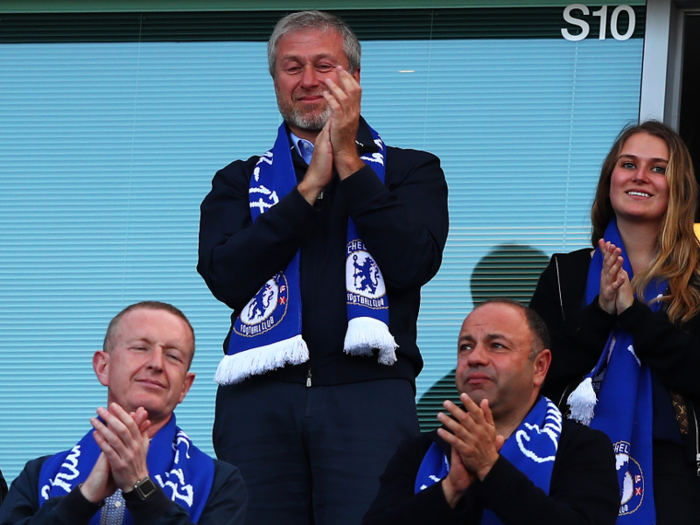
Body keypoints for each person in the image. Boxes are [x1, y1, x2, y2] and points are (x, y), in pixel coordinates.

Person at [197, 10, 448, 525]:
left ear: (353, 78)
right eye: (292, 67)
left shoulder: (409, 171)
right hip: (258, 401)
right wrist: (307, 188)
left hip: (369, 397)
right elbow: (226, 274)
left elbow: (411, 261)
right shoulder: (239, 181)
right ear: (275, 81)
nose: (308, 81)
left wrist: (350, 165)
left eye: (323, 65)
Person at [530, 121, 700, 523]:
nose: (641, 176)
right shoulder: (564, 273)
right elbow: (532, 373)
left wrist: (635, 315)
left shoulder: (696, 282)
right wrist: (601, 312)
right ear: (610, 179)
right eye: (628, 164)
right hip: (568, 465)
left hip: (673, 474)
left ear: (678, 188)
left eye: (658, 168)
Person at [362, 299, 619, 525]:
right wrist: (450, 490)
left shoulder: (582, 447)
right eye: (465, 347)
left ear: (539, 366)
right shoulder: (420, 451)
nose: (475, 358)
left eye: (496, 346)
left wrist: (489, 469)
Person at [0, 302, 247, 525]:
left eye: (172, 356)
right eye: (141, 347)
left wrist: (140, 486)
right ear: (103, 367)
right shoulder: (38, 476)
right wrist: (83, 499)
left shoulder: (220, 483)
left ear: (184, 387)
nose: (156, 364)